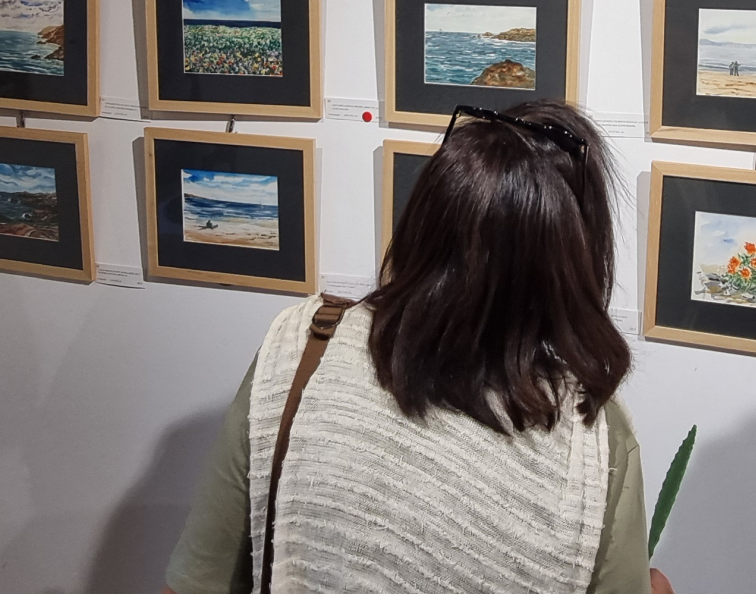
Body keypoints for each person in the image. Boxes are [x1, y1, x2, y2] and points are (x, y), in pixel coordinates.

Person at [162, 99, 672, 594]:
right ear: (576, 253)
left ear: (425, 219)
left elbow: (196, 582)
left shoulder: (303, 349)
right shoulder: (591, 434)